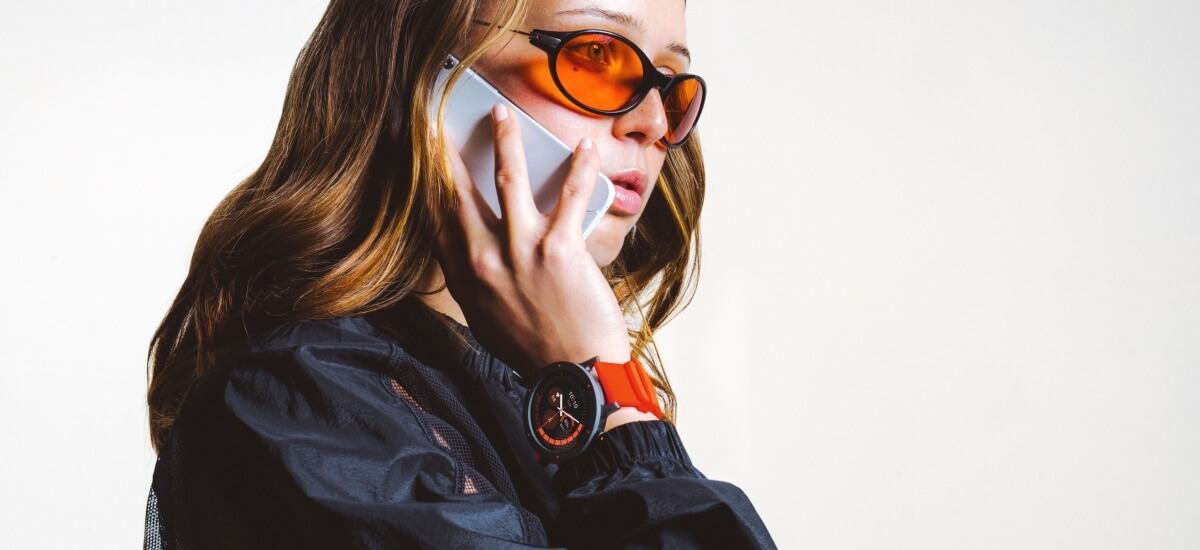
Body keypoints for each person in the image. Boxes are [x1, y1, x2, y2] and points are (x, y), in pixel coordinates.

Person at [144, 0, 775, 547]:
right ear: (429, 74)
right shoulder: (290, 408)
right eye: (596, 54)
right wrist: (608, 394)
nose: (655, 123)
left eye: (670, 84)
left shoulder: (524, 394)